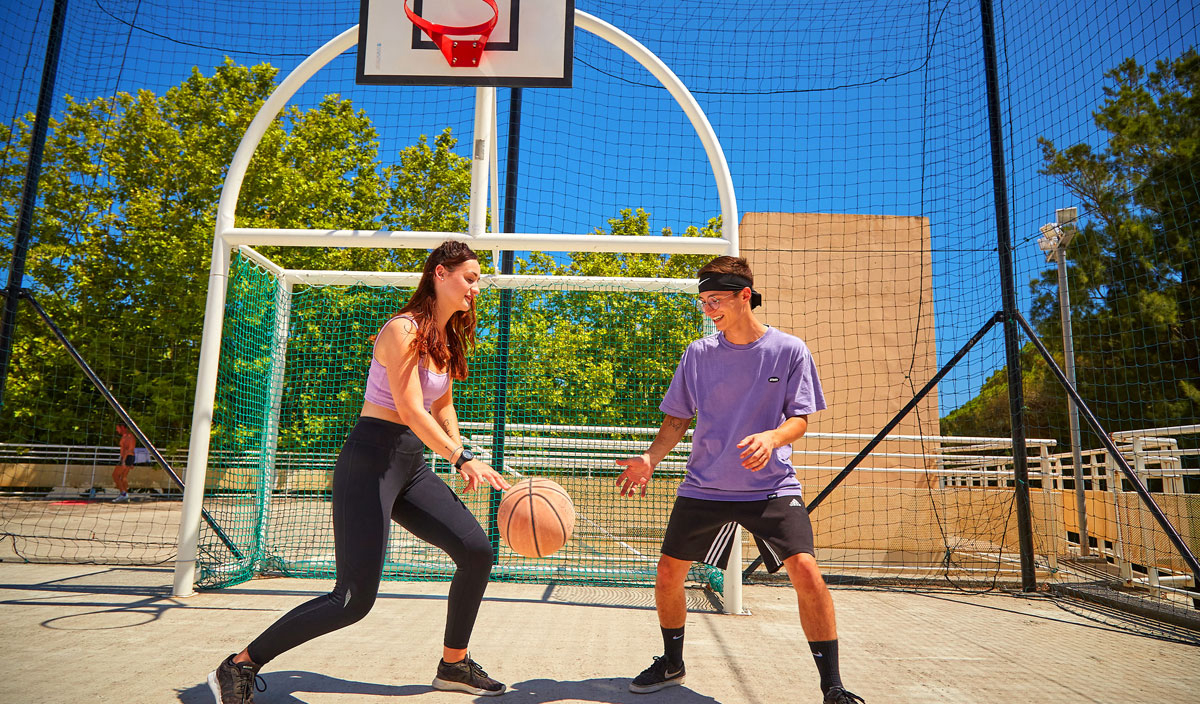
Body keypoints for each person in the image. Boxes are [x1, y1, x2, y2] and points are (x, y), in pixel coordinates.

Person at [208, 241, 511, 704]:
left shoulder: (444, 337)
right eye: (470, 277)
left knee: (476, 551)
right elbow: (411, 408)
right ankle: (239, 665)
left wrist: (460, 447)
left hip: (410, 465)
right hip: (369, 462)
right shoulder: (402, 329)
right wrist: (460, 458)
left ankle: (453, 664)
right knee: (352, 600)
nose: (476, 287)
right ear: (441, 274)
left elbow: (442, 404)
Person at [615, 256, 865, 704]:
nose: (709, 309)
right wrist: (650, 458)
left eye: (716, 300)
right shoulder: (698, 353)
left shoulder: (789, 349)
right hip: (705, 487)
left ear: (744, 295)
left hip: (771, 487)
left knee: (806, 572)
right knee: (669, 573)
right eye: (704, 302)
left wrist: (772, 437)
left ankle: (834, 687)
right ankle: (672, 663)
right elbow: (677, 419)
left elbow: (800, 419)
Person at [112, 423, 136, 502]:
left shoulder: (128, 437)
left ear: (122, 427)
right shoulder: (128, 436)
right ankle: (126, 495)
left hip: (127, 457)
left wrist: (123, 461)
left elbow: (128, 449)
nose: (117, 430)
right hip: (129, 457)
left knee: (115, 475)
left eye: (117, 428)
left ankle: (123, 494)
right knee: (123, 477)